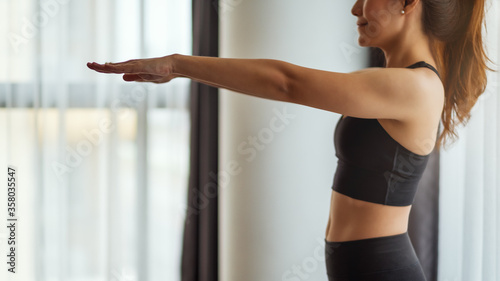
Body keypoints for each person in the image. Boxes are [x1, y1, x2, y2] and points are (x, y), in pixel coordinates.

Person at [87, 0, 493, 279]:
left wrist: (177, 64)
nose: (355, 8)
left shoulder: (416, 86)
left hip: (379, 269)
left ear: (408, 2)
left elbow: (287, 83)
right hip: (357, 265)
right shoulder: (400, 82)